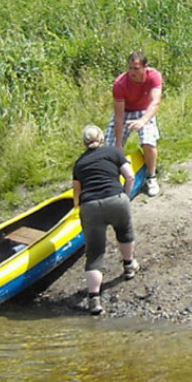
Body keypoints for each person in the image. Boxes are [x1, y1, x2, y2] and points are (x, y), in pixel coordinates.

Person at [73, 124, 139, 316]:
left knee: (94, 253)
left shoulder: (79, 164)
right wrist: (125, 196)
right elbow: (130, 176)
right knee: (124, 232)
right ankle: (129, 266)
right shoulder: (113, 152)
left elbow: (76, 192)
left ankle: (94, 299)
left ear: (84, 143)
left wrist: (78, 208)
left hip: (90, 206)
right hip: (115, 200)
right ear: (102, 138)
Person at [104, 51, 163, 196]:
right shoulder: (120, 83)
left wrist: (142, 121)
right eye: (130, 68)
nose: (132, 72)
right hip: (126, 111)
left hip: (144, 110)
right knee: (109, 148)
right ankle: (110, 179)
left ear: (145, 67)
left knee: (148, 142)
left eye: (136, 68)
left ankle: (151, 176)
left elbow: (155, 102)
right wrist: (118, 144)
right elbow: (118, 116)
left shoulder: (154, 76)